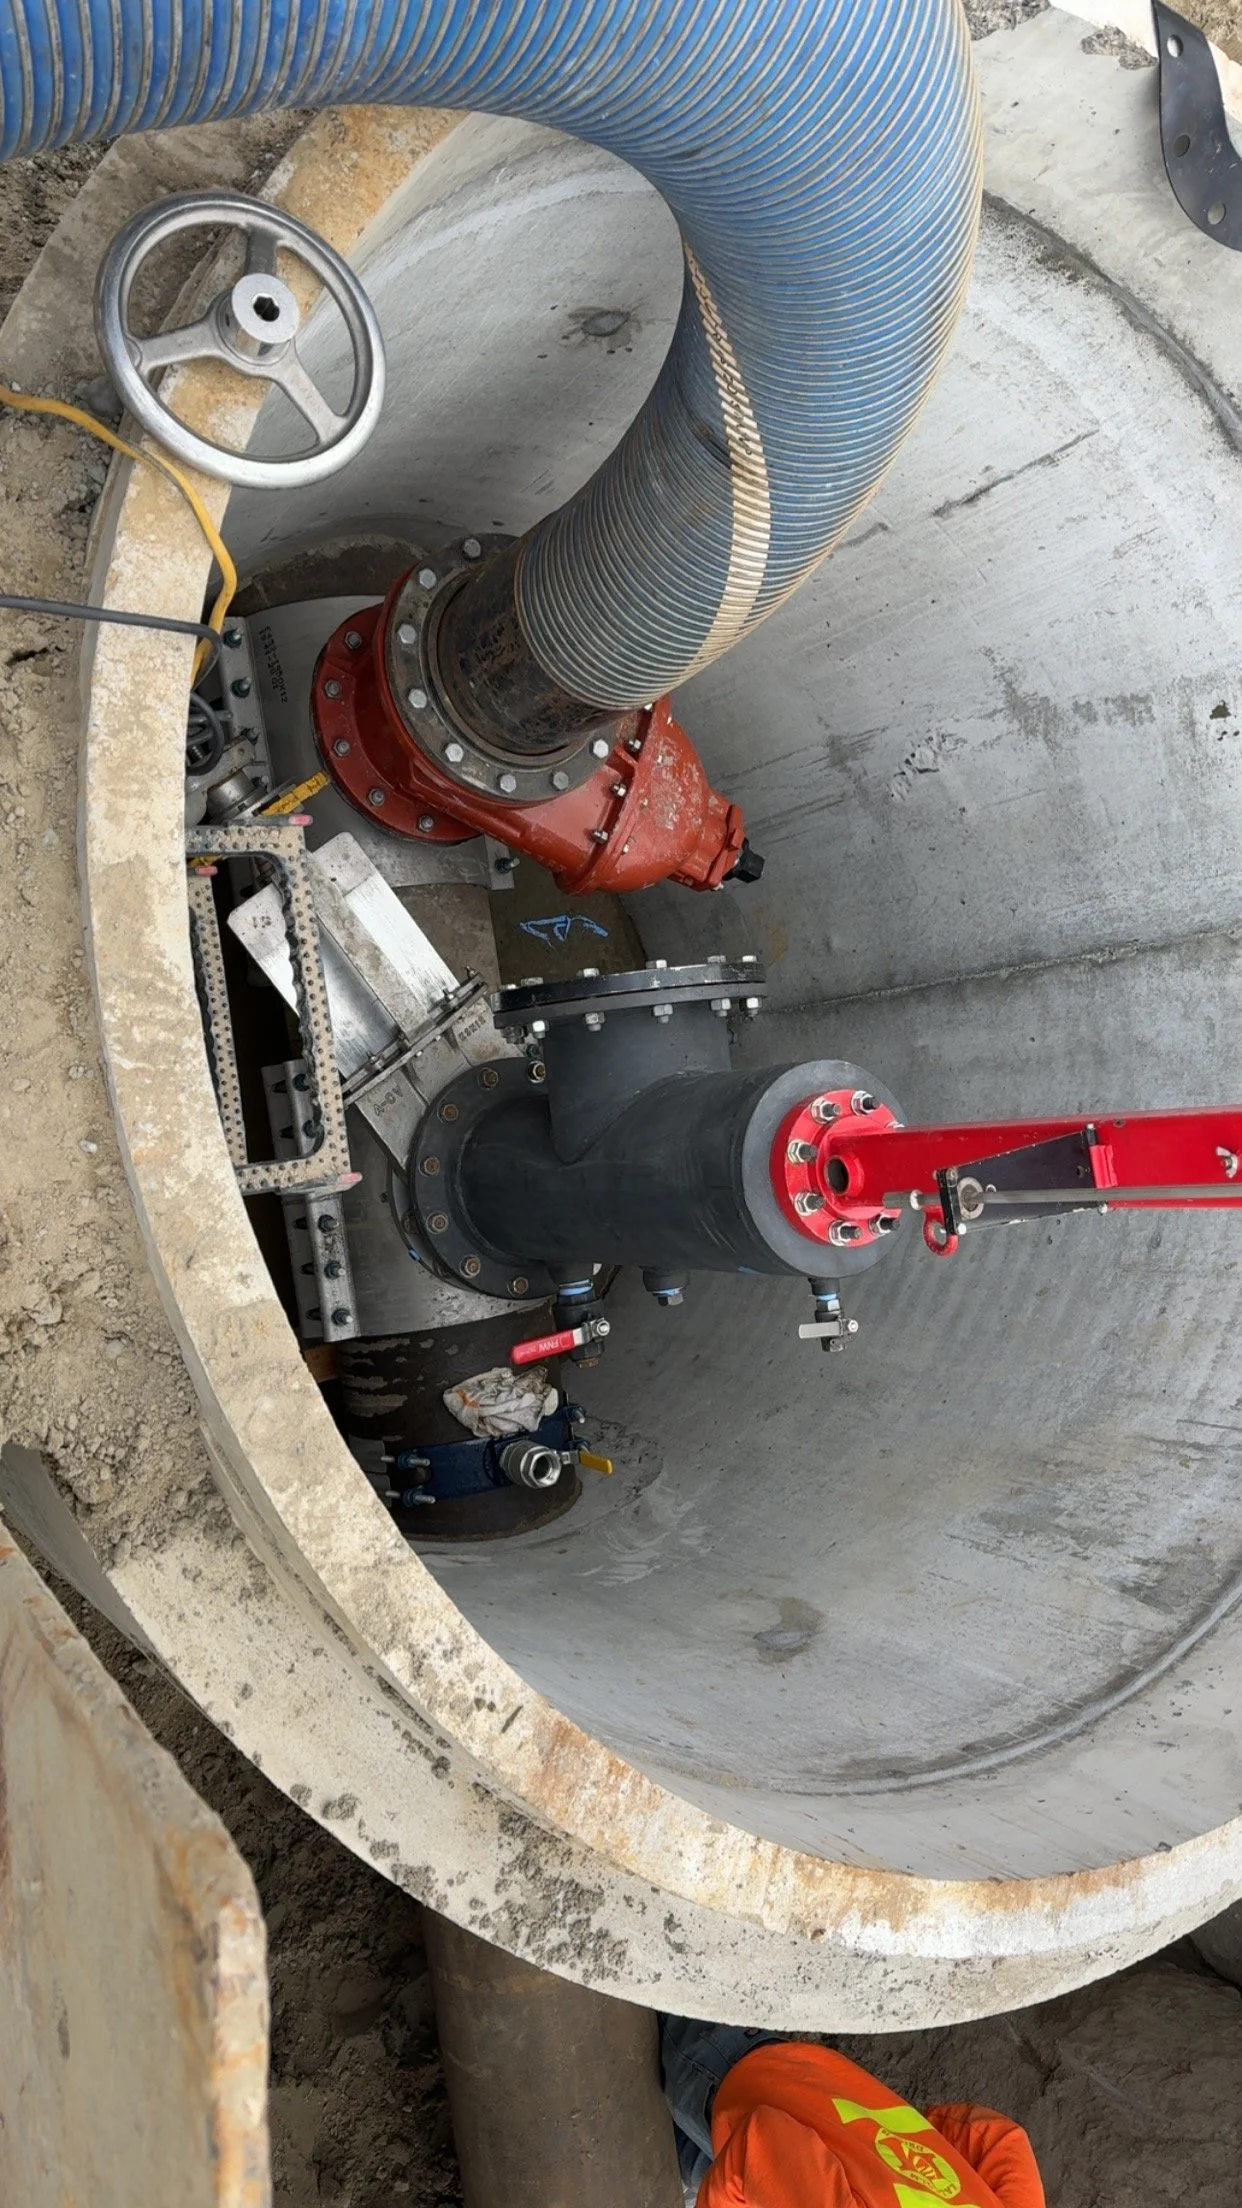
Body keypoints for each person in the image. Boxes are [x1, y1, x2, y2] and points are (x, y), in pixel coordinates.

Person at [662, 2018, 1045, 2207]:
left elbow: (1001, 2139)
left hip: (805, 2089)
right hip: (722, 2073)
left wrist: (894, 2142)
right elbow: (756, 2143)